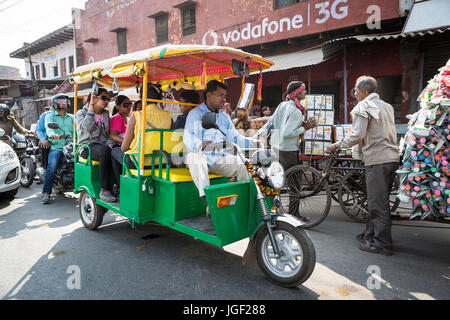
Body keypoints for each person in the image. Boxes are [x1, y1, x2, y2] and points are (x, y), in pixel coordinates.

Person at [325, 76, 400, 256]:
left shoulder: (363, 107)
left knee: (377, 203)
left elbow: (357, 135)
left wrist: (336, 145)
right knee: (378, 200)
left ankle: (382, 243)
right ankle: (370, 235)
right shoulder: (387, 106)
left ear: (364, 91)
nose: (355, 93)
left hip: (377, 158)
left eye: (356, 90)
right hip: (392, 157)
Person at [183, 80, 259, 215]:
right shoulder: (196, 113)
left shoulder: (224, 116)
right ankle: (209, 204)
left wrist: (253, 142)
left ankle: (246, 205)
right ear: (209, 95)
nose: (224, 99)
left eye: (225, 96)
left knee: (244, 164)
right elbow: (188, 136)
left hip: (218, 157)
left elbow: (235, 137)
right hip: (198, 155)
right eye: (220, 95)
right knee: (197, 158)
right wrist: (201, 144)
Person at [254, 81, 316, 221]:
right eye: (303, 91)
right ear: (297, 93)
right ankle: (294, 214)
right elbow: (287, 133)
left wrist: (255, 136)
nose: (305, 93)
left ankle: (275, 210)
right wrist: (304, 128)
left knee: (277, 181)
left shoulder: (283, 105)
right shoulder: (295, 111)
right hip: (288, 151)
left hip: (276, 148)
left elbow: (270, 123)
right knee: (295, 183)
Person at [75, 88, 117, 203]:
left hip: (103, 146)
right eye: (104, 98)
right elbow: (86, 128)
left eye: (108, 99)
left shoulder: (106, 114)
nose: (107, 101)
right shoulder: (81, 113)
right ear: (94, 97)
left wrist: (110, 143)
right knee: (104, 151)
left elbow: (109, 134)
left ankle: (117, 185)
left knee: (118, 150)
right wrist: (91, 107)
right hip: (87, 146)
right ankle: (104, 189)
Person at [121, 84, 173, 169]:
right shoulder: (168, 116)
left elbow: (124, 147)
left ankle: (116, 182)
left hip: (140, 162)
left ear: (141, 98)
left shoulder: (137, 116)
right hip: (162, 161)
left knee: (114, 153)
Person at [41, 94, 74, 204]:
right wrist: (52, 134)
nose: (64, 102)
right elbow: (48, 129)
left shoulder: (72, 118)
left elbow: (77, 131)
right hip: (57, 147)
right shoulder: (50, 116)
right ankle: (46, 193)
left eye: (65, 100)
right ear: (55, 103)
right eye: (61, 100)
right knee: (52, 166)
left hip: (71, 147)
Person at [109, 95, 132, 196]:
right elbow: (112, 135)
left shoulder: (129, 118)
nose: (129, 107)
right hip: (121, 146)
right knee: (115, 153)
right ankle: (119, 185)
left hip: (129, 147)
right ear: (118, 106)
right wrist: (126, 141)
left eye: (130, 104)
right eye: (125, 105)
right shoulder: (117, 118)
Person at [36, 106, 52, 170]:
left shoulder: (69, 117)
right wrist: (44, 139)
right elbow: (39, 129)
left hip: (62, 141)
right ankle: (45, 168)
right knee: (45, 146)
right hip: (48, 139)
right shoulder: (45, 115)